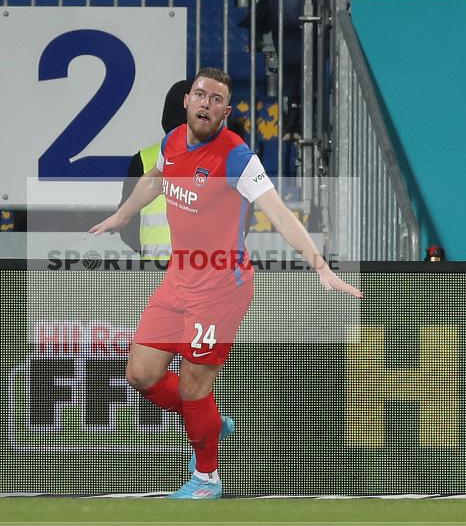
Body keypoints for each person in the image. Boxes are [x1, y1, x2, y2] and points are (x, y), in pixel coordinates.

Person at [90, 67, 362, 499]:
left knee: (194, 385)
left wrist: (319, 264)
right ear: (187, 101)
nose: (206, 103)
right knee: (140, 374)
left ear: (225, 110)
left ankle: (206, 478)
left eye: (217, 99)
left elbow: (277, 211)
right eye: (201, 95)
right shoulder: (172, 141)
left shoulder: (237, 157)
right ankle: (210, 423)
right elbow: (156, 179)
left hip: (221, 287)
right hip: (178, 279)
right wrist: (123, 215)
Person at [117, 79, 191, 260]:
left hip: (156, 274)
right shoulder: (223, 160)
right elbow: (240, 221)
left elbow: (126, 224)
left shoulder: (143, 160)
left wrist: (151, 253)